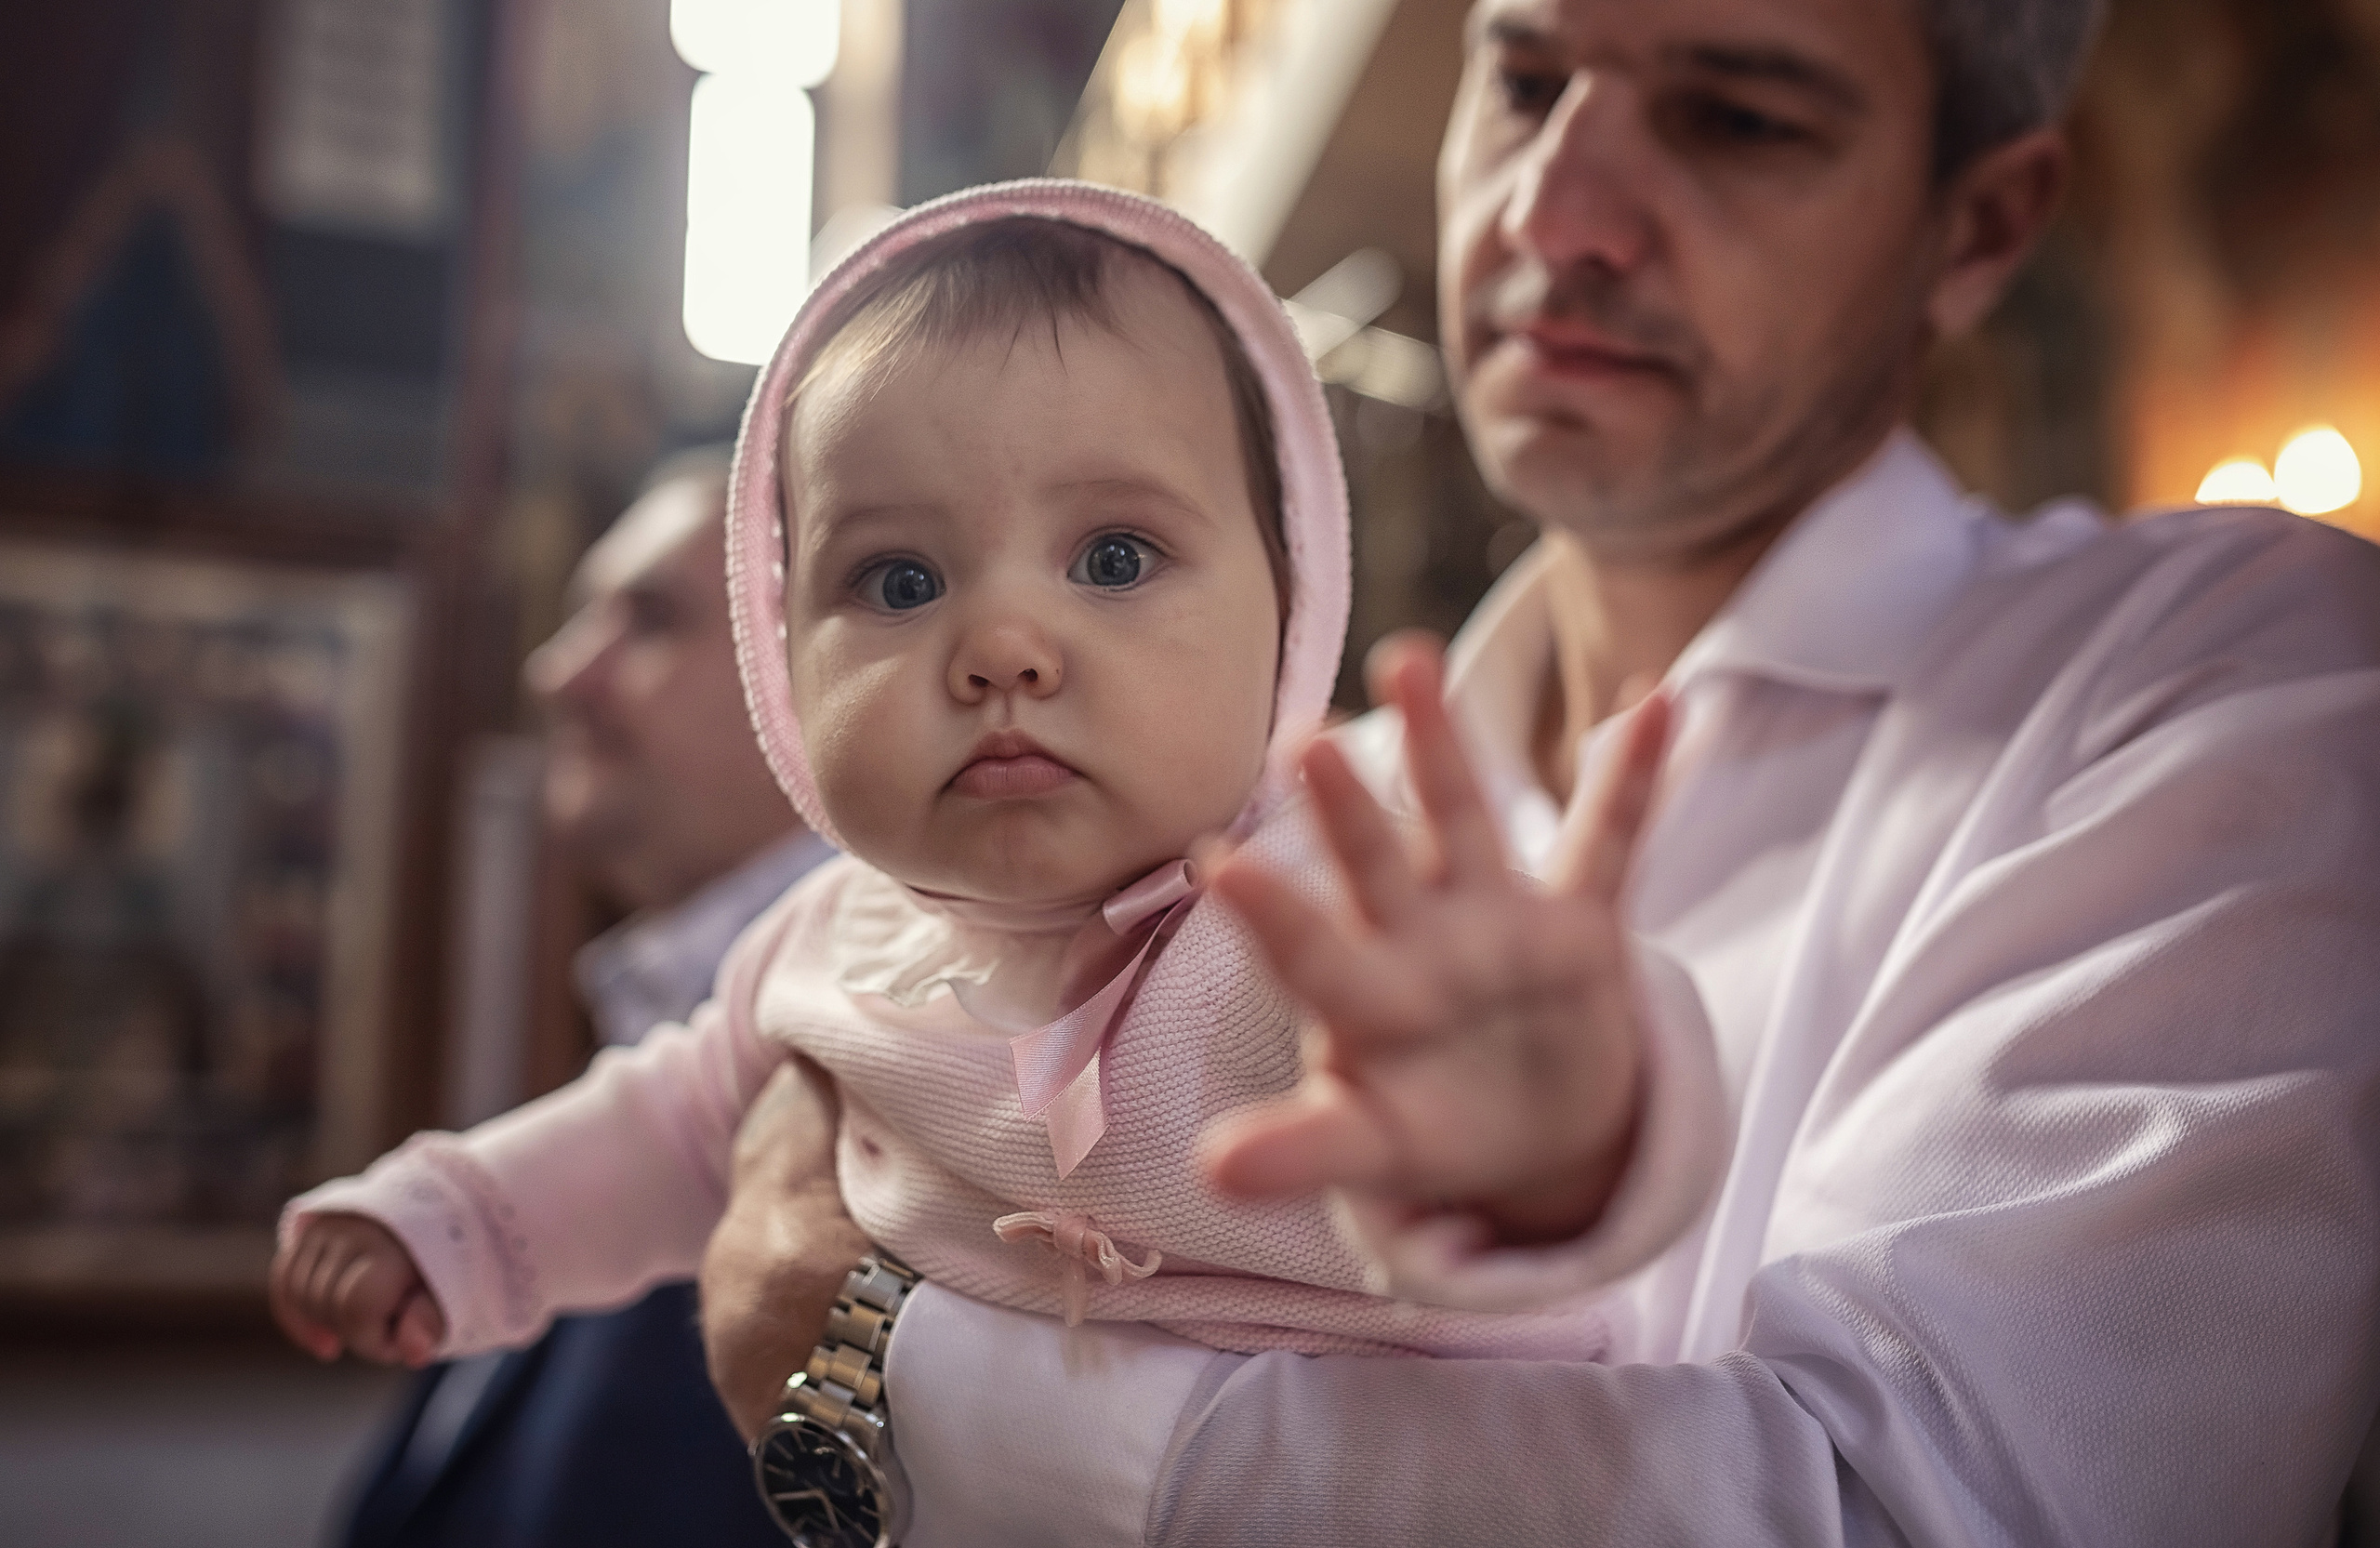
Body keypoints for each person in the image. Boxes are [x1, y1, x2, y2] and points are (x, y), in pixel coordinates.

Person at [701, 0, 2380, 1543]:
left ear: (1979, 223)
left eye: (1734, 117)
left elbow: (1918, 1514)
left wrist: (897, 1369)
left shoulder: (2212, 675)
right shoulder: (1244, 825)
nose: (1553, 213)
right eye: (1523, 81)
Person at [323, 456, 833, 1548]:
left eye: (648, 620)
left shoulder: (906, 1076)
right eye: (578, 618)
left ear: (831, 681)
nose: (558, 674)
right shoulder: (653, 1027)